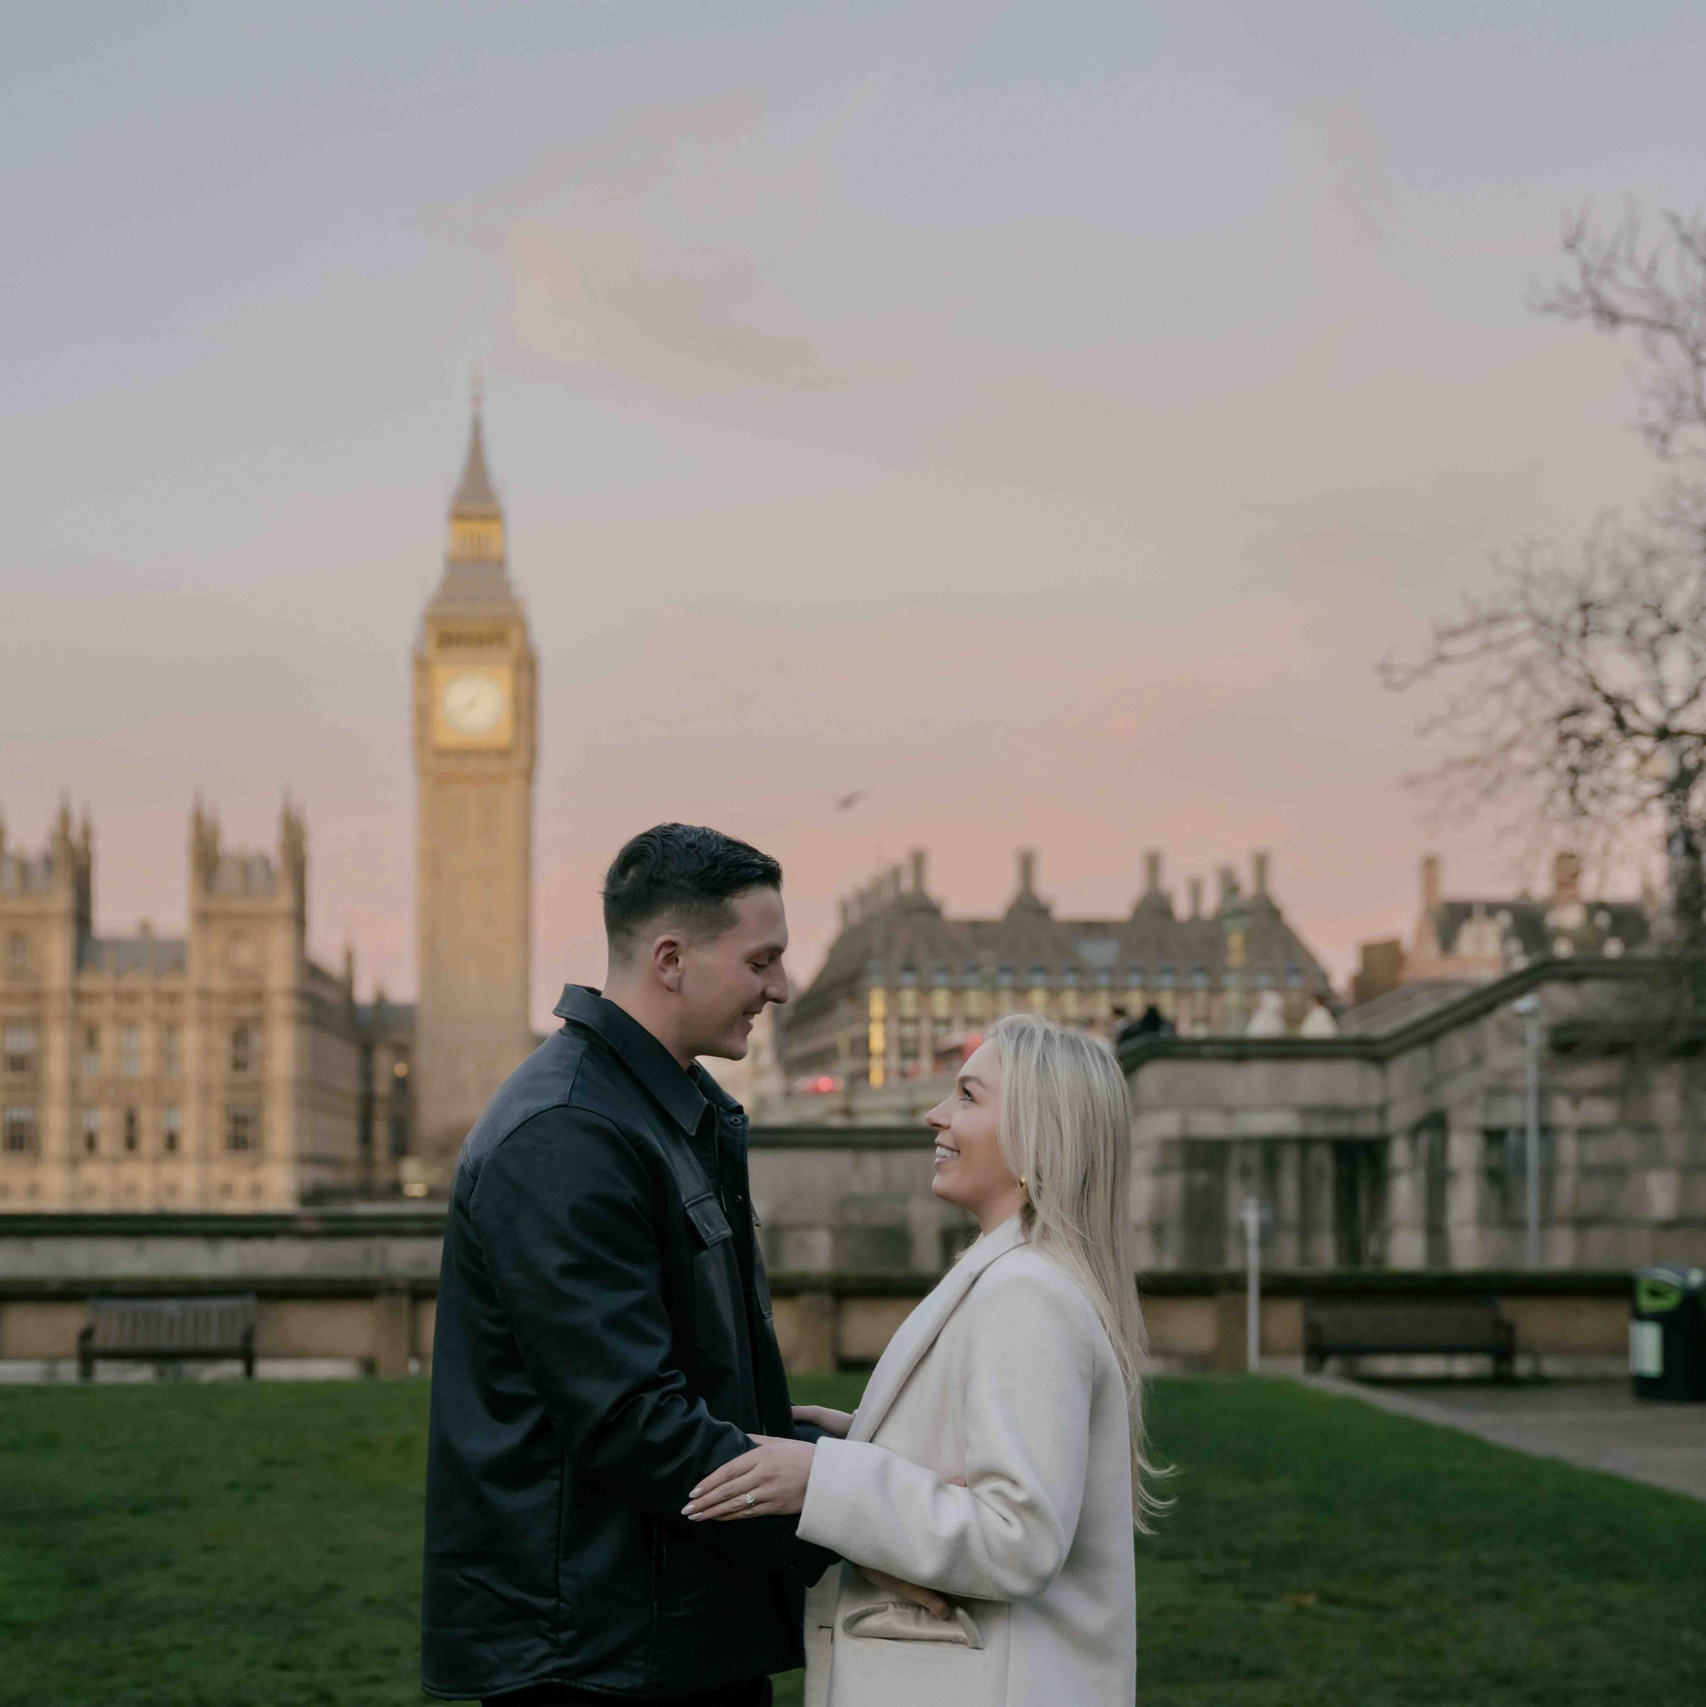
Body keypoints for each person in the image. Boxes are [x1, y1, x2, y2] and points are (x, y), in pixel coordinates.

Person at [422, 824, 833, 1707]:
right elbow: (629, 1418)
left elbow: (695, 1386)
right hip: (601, 1653)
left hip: (665, 1627)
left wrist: (833, 1457)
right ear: (673, 959)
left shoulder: (655, 1112)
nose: (782, 987)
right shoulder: (569, 1130)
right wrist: (853, 1513)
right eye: (762, 961)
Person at [684, 1013, 1166, 1707]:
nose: (936, 1114)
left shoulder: (1026, 1291)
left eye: (968, 1096)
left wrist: (823, 1480)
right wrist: (867, 1437)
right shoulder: (1016, 1274)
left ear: (1038, 1132)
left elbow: (1018, 1538)